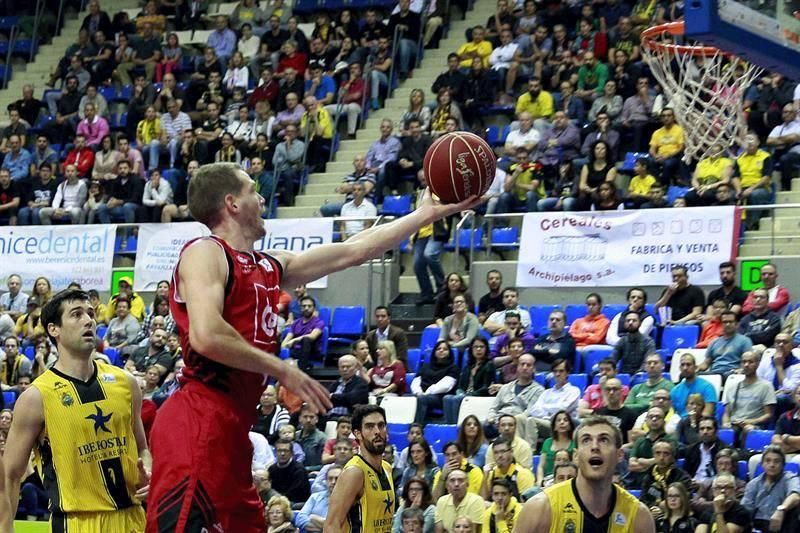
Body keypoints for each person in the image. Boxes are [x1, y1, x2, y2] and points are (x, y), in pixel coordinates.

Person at [4, 289, 150, 530]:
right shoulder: (36, 396)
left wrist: (149, 469)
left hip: (133, 519)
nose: (89, 320)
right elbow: (9, 474)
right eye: (77, 314)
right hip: (76, 522)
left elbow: (143, 448)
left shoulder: (127, 383)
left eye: (91, 313)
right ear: (54, 329)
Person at [516, 416, 654, 532]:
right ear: (575, 455)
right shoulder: (540, 508)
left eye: (604, 440)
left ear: (619, 455)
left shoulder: (638, 516)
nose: (594, 447)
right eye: (586, 440)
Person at [325, 405, 395, 533]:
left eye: (381, 425)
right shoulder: (354, 472)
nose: (377, 431)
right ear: (358, 433)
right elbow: (331, 525)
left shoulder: (387, 468)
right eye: (370, 426)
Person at [721, 350, 776, 446]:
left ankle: (742, 456)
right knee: (725, 431)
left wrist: (751, 421)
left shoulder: (766, 386)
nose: (746, 365)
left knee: (748, 430)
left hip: (754, 425)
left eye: (750, 362)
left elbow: (768, 415)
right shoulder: (733, 387)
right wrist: (726, 423)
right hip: (734, 424)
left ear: (758, 364)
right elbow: (726, 413)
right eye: (744, 362)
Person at [443, 337, 494, 424]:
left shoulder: (489, 365)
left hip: (479, 396)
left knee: (457, 399)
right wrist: (460, 392)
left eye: (481, 347)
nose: (478, 349)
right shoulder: (468, 366)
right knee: (447, 398)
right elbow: (460, 386)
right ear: (471, 349)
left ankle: (457, 427)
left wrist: (469, 395)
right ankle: (450, 426)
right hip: (465, 395)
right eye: (476, 347)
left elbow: (486, 388)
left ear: (486, 349)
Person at [411, 341, 459, 423]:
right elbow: (416, 381)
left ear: (449, 353)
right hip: (421, 394)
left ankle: (417, 427)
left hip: (439, 397)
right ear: (434, 352)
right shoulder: (425, 366)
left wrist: (426, 393)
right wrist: (418, 392)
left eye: (445, 349)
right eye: (438, 348)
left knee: (422, 399)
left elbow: (446, 386)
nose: (441, 350)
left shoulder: (453, 368)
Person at [639, 440, 691, 509]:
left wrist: (663, 506)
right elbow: (643, 500)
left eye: (666, 454)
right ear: (653, 455)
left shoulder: (682, 477)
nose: (661, 458)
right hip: (652, 514)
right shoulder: (648, 476)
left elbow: (684, 499)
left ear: (672, 457)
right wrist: (654, 508)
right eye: (658, 453)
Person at [699, 311, 753, 375]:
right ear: (721, 324)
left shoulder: (745, 341)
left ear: (736, 324)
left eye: (730, 322)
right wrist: (696, 368)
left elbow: (747, 361)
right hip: (714, 373)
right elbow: (706, 363)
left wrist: (741, 370)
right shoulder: (714, 342)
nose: (727, 324)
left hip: (732, 373)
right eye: (725, 322)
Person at [281, 295, 325, 371]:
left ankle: (301, 369)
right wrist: (283, 347)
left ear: (314, 308)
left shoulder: (319, 322)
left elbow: (312, 336)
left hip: (311, 352)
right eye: (304, 306)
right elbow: (288, 338)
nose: (306, 308)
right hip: (296, 351)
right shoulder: (296, 323)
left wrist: (294, 340)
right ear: (300, 308)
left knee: (306, 339)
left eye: (309, 306)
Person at [671, 352, 717, 417]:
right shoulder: (675, 391)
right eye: (682, 365)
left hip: (700, 423)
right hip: (680, 425)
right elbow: (673, 414)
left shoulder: (707, 387)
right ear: (680, 368)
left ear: (695, 367)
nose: (685, 368)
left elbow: (707, 414)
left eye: (688, 365)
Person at [296, 465, 340, 532]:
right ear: (326, 481)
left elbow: (340, 527)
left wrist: (313, 517)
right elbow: (300, 519)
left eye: (337, 478)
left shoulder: (350, 501)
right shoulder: (315, 497)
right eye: (330, 478)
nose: (333, 482)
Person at [684, 417, 727, 484]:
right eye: (702, 429)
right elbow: (686, 473)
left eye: (709, 428)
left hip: (715, 486)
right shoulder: (691, 450)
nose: (705, 432)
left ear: (716, 432)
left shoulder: (724, 450)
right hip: (694, 486)